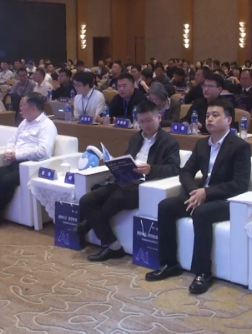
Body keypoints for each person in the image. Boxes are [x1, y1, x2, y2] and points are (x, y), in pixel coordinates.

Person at [145, 98, 251, 294]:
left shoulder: (239, 146)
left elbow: (240, 184)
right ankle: (169, 263)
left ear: (228, 120)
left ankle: (203, 272)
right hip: (200, 195)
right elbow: (185, 172)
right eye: (208, 115)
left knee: (201, 213)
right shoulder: (202, 144)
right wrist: (195, 191)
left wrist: (206, 192)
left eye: (215, 115)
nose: (209, 119)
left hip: (226, 200)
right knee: (166, 206)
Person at [77, 100, 181, 261]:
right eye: (142, 121)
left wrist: (151, 169)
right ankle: (114, 246)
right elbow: (128, 159)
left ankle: (89, 225)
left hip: (144, 185)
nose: (145, 125)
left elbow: (174, 168)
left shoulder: (169, 142)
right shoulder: (135, 138)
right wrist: (116, 164)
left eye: (149, 120)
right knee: (86, 200)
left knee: (117, 198)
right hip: (124, 181)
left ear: (159, 118)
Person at [0, 93, 58, 231]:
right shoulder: (24, 123)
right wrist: (9, 151)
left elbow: (44, 151)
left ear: (33, 108)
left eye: (23, 105)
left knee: (6, 181)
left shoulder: (47, 125)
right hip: (15, 163)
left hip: (31, 167)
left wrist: (17, 155)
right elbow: (12, 141)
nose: (20, 108)